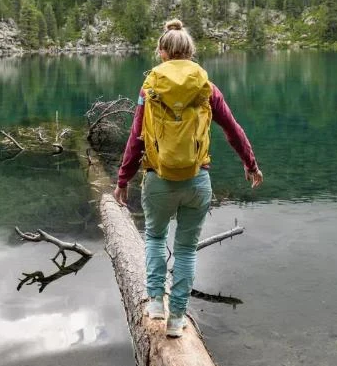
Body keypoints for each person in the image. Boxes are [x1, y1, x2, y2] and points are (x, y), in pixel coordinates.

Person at [113, 19, 263, 338]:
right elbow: (232, 130)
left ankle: (155, 301)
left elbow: (136, 137)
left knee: (154, 238)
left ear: (163, 53)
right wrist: (250, 163)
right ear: (191, 52)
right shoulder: (206, 87)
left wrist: (122, 179)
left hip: (158, 179)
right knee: (185, 250)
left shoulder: (149, 88)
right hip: (197, 181)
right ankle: (178, 318)